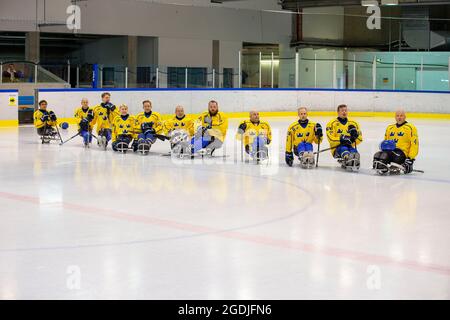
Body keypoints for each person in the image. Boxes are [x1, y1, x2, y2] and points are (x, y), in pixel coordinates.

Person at [373, 109, 419, 174]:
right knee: (377, 155)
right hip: (390, 151)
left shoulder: (410, 128)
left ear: (405, 117)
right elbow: (385, 142)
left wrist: (410, 159)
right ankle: (383, 166)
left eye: (401, 116)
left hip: (402, 153)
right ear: (395, 117)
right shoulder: (390, 128)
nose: (399, 117)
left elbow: (415, 144)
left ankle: (394, 165)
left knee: (388, 157)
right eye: (397, 116)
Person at [326, 104, 363, 170]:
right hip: (337, 148)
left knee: (354, 151)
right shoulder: (332, 123)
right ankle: (347, 158)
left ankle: (354, 159)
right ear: (338, 112)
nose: (344, 112)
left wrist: (353, 139)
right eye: (342, 110)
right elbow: (330, 139)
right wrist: (341, 140)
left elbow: (360, 138)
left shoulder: (353, 123)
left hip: (350, 146)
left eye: (346, 110)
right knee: (343, 148)